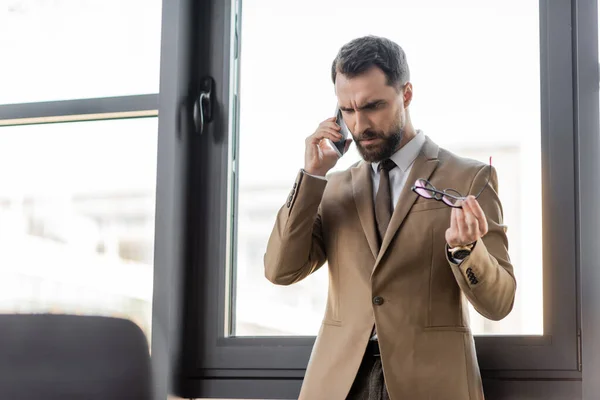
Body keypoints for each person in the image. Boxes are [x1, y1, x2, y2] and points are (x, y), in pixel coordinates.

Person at [264, 35, 516, 400]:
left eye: (373, 106)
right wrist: (312, 177)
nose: (359, 124)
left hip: (431, 382)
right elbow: (280, 270)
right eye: (347, 110)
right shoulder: (332, 187)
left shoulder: (468, 178)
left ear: (407, 94)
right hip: (339, 384)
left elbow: (500, 302)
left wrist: (466, 250)